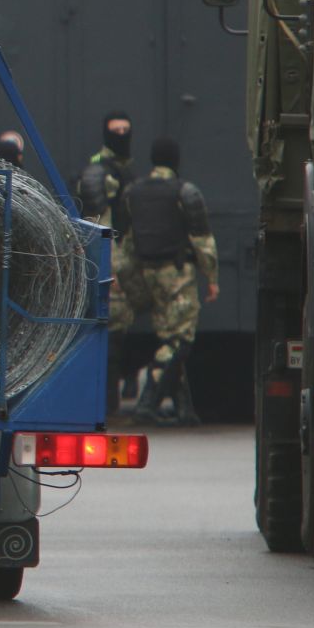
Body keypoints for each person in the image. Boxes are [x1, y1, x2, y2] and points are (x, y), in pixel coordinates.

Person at [122, 137, 219, 426]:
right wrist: (211, 278)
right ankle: (147, 401)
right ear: (175, 160)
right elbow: (202, 241)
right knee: (180, 340)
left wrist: (123, 279)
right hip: (177, 276)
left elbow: (127, 241)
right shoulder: (185, 192)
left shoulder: (133, 192)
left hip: (146, 274)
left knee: (168, 336)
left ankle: (184, 409)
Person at [75, 110, 135, 406]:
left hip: (123, 256)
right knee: (113, 326)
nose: (123, 135)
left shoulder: (120, 168)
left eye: (127, 130)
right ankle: (108, 396)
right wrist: (110, 264)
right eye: (117, 130)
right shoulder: (103, 171)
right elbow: (103, 223)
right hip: (111, 259)